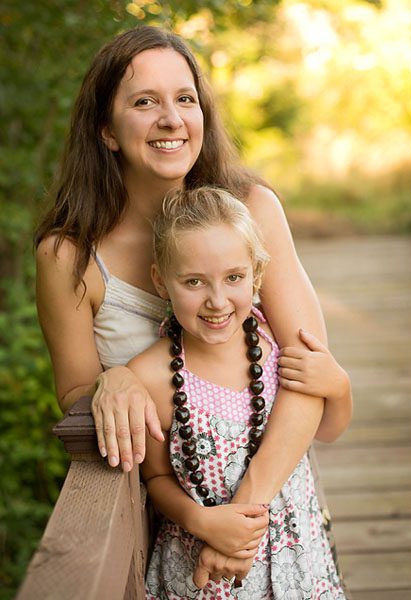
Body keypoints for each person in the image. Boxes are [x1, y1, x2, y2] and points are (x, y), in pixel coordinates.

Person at [34, 26, 351, 582]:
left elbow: (308, 373)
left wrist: (240, 520)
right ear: (107, 130)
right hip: (169, 533)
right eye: (144, 102)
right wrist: (116, 381)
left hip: (268, 511)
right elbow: (75, 395)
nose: (171, 119)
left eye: (185, 99)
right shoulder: (70, 256)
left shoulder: (252, 208)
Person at [129, 186, 343, 598]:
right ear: (161, 281)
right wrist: (198, 520)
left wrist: (340, 385)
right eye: (194, 281)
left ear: (256, 276)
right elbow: (155, 475)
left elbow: (331, 428)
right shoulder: (151, 377)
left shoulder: (275, 346)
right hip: (202, 571)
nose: (216, 300)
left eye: (234, 278)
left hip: (296, 560)